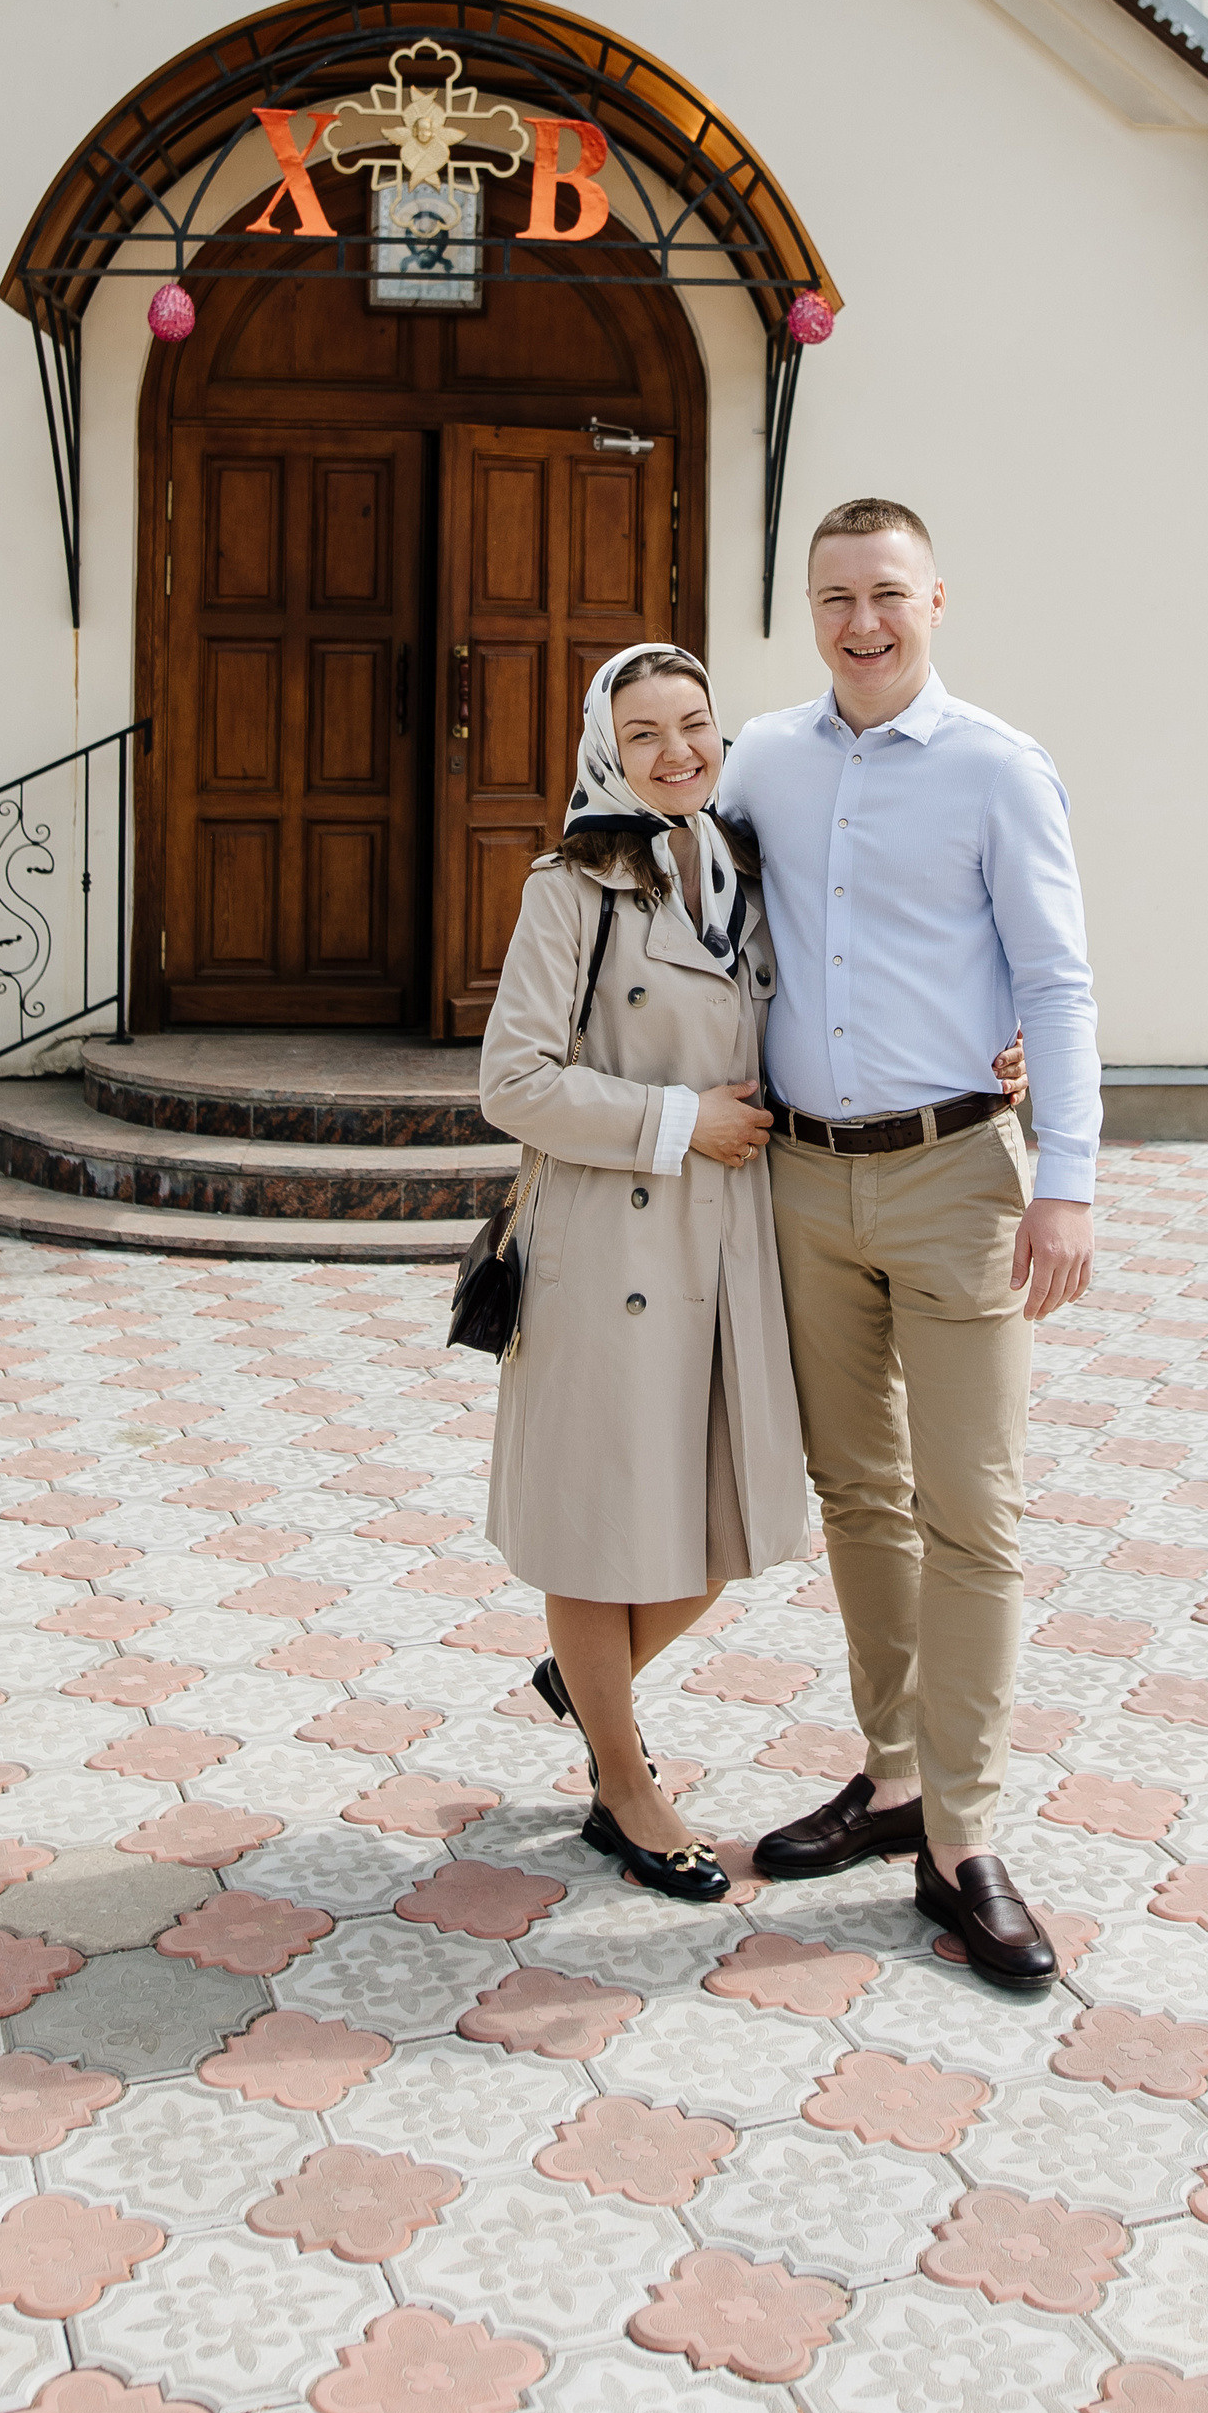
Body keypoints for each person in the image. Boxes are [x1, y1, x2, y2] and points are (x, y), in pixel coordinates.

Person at [719, 497, 1101, 1987]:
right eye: (833, 597)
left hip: (961, 1184)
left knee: (977, 1517)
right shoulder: (760, 759)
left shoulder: (1000, 770)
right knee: (858, 1495)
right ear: (808, 609)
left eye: (886, 593)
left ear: (937, 598)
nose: (860, 621)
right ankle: (890, 1780)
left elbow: (1058, 983)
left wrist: (1064, 1181)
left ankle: (963, 1838)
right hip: (806, 1185)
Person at [478, 645, 802, 1899]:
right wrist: (680, 1123)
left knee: (728, 1514)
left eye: (696, 726)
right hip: (612, 1243)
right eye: (647, 733)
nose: (678, 754)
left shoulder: (743, 871)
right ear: (605, 750)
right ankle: (625, 1788)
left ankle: (586, 1683)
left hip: (730, 1242)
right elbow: (512, 1082)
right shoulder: (569, 887)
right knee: (601, 1528)